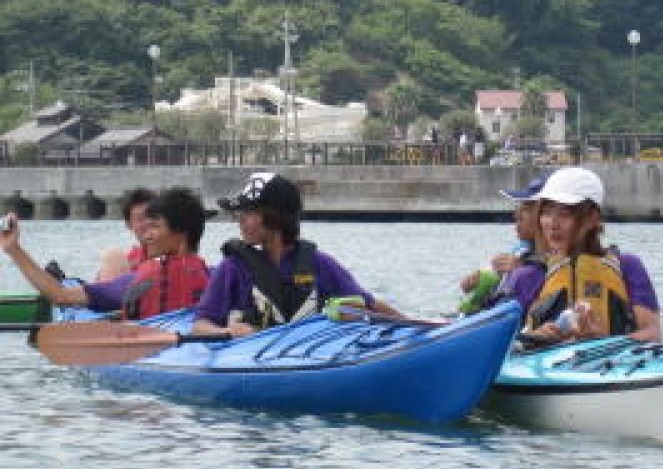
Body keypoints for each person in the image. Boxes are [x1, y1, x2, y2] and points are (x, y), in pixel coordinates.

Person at [192, 172, 401, 338]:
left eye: (249, 212)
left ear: (274, 216)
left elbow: (369, 305)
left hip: (310, 359)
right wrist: (226, 332)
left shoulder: (319, 264)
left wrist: (424, 330)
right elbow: (200, 325)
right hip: (249, 359)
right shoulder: (232, 268)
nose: (240, 220)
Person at [0, 187, 210, 319]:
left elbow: (60, 296)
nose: (147, 234)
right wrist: (14, 249)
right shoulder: (218, 277)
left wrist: (14, 250)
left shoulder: (136, 282)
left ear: (181, 232)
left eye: (155, 227)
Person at [505, 166, 661, 342]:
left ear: (592, 218)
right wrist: (532, 338)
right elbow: (499, 344)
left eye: (564, 214)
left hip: (613, 364)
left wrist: (603, 340)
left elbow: (652, 334)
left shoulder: (628, 267)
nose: (553, 224)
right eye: (547, 213)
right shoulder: (528, 275)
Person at [458, 172, 552, 314]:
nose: (516, 215)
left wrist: (521, 271)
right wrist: (480, 282)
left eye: (526, 208)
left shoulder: (535, 267)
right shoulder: (521, 252)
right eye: (519, 207)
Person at [95, 187, 156, 281]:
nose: (148, 223)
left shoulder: (179, 254)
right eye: (140, 219)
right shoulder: (123, 263)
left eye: (152, 216)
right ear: (129, 225)